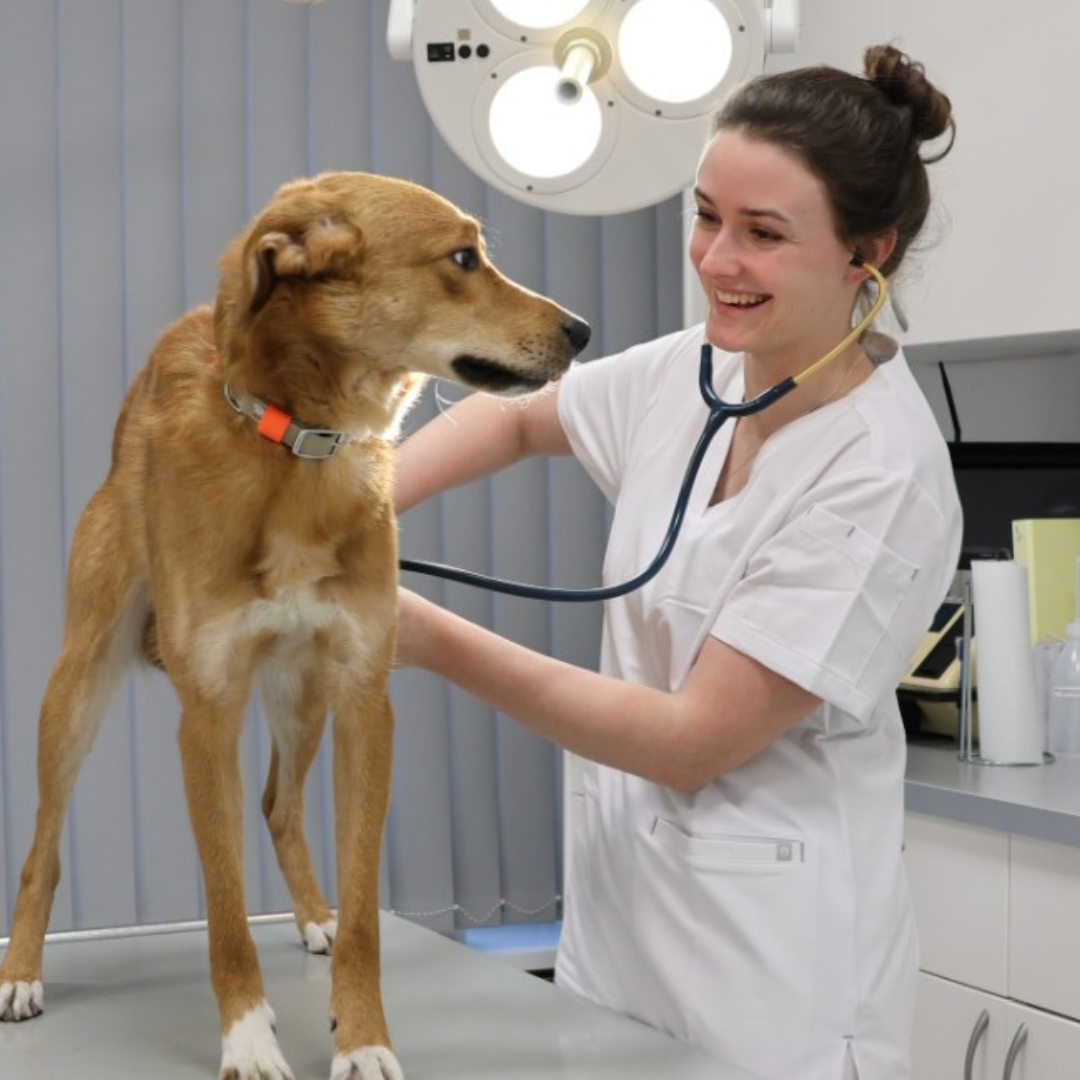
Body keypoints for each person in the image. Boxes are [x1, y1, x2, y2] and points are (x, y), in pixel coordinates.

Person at [392, 44, 961, 1080]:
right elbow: (527, 421)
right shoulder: (703, 365)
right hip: (619, 958)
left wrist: (419, 636)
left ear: (865, 255)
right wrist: (359, 502)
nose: (714, 260)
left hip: (771, 995)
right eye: (706, 216)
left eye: (763, 234)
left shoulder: (881, 474)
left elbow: (694, 740)